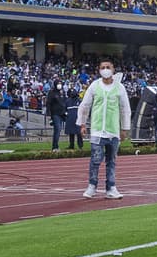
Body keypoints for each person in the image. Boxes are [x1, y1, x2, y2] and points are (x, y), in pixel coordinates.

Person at [77, 60, 130, 200]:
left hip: (113, 130)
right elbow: (85, 105)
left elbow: (125, 109)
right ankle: (92, 186)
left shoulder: (120, 88)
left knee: (111, 161)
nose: (105, 69)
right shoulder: (94, 86)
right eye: (102, 67)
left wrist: (124, 128)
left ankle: (111, 187)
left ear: (113, 69)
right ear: (99, 70)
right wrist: (82, 124)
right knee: (95, 159)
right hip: (97, 129)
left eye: (108, 67)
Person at [45, 79, 67, 151]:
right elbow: (48, 103)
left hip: (62, 114)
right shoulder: (52, 93)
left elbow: (64, 102)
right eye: (58, 83)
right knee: (57, 129)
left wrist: (65, 111)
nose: (59, 85)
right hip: (55, 114)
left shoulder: (62, 93)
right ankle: (55, 147)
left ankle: (56, 146)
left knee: (59, 130)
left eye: (60, 83)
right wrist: (48, 114)